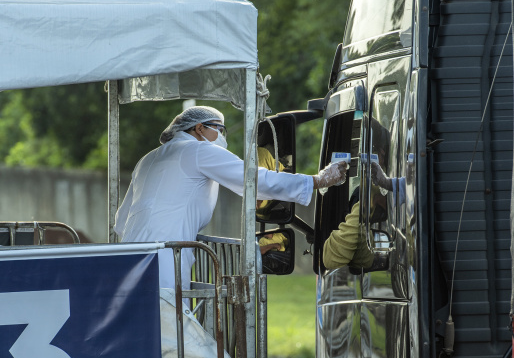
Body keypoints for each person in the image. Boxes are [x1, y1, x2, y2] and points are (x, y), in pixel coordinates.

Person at [115, 106, 347, 288]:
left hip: (127, 262)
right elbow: (254, 181)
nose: (222, 137)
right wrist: (318, 180)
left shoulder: (147, 160)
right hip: (164, 264)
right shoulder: (198, 150)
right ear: (199, 129)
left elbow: (120, 223)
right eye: (219, 129)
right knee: (169, 339)